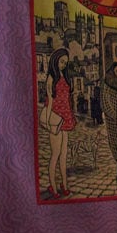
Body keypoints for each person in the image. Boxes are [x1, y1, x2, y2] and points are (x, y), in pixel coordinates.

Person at [44, 47, 77, 198]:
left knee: (64, 155)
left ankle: (64, 184)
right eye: (61, 61)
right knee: (55, 154)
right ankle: (53, 186)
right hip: (56, 118)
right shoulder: (51, 78)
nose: (63, 64)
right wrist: (48, 120)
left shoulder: (65, 76)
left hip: (66, 116)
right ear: (56, 60)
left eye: (65, 62)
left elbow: (68, 99)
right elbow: (50, 101)